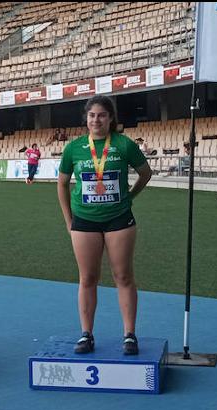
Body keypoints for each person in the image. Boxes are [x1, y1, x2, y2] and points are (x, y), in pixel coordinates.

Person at [56, 95, 152, 356]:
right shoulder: (74, 148)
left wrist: (130, 196)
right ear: (86, 119)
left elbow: (146, 173)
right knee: (87, 278)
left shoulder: (123, 145)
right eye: (91, 115)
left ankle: (129, 334)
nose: (96, 120)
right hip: (84, 221)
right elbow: (62, 184)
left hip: (119, 219)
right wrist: (69, 221)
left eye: (101, 115)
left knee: (123, 276)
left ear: (110, 119)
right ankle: (86, 334)